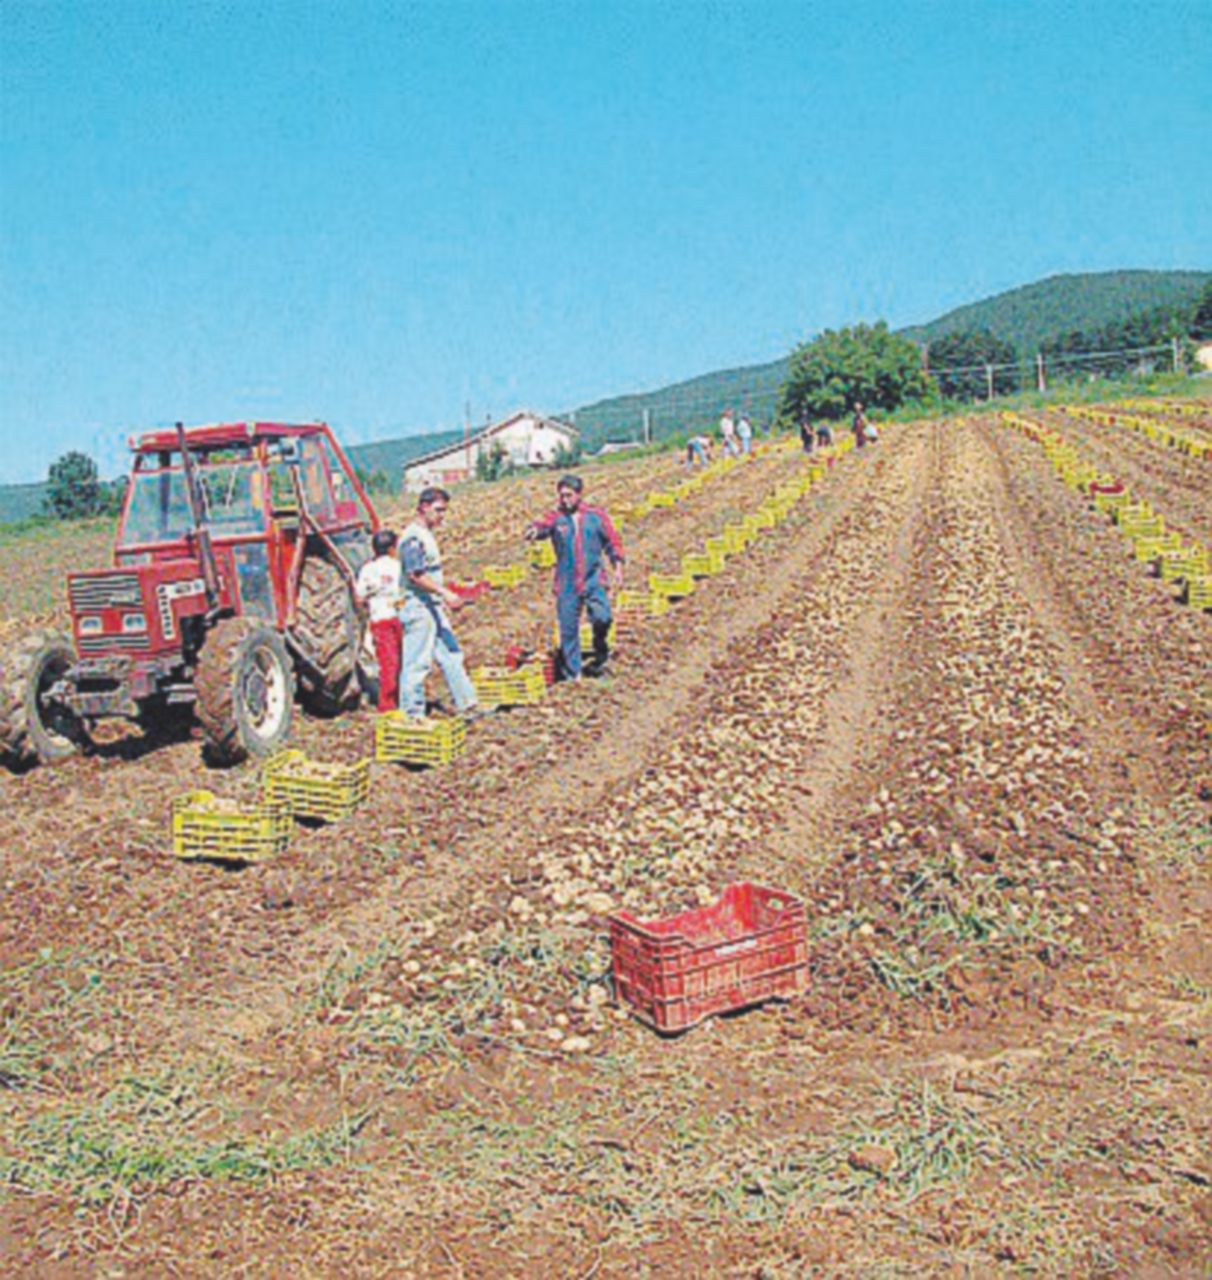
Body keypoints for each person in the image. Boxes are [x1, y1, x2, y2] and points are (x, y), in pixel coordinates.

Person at [524, 475, 625, 680]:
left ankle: (600, 646)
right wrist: (534, 531)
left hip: (593, 578)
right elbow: (542, 525)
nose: (565, 500)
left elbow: (612, 542)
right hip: (566, 582)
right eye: (561, 496)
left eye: (569, 495)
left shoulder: (596, 516)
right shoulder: (556, 518)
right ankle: (573, 673)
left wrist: (618, 568)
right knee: (568, 629)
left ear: (579, 494)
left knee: (602, 617)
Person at [398, 488, 484, 720]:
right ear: (423, 507)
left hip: (431, 604)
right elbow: (415, 574)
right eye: (438, 510)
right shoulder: (413, 538)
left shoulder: (425, 534)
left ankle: (468, 704)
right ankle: (412, 715)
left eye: (444, 511)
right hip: (418, 606)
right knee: (417, 663)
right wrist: (445, 593)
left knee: (450, 653)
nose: (441, 516)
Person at [355, 528, 404, 712]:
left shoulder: (368, 569)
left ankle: (388, 701)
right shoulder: (399, 566)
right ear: (393, 548)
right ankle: (393, 702)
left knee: (388, 661)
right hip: (400, 616)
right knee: (402, 660)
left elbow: (359, 598)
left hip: (380, 619)